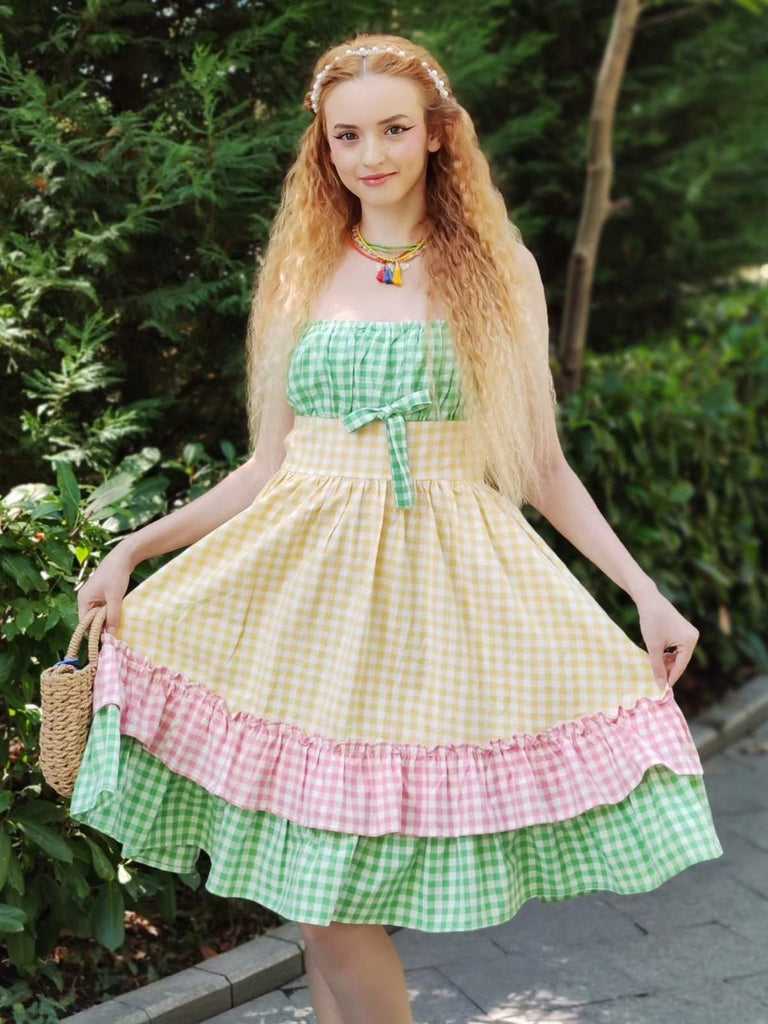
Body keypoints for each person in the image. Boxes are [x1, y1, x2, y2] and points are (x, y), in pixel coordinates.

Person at [69, 32, 723, 1024]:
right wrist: (133, 548)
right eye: (347, 136)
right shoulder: (300, 271)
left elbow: (539, 466)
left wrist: (645, 593)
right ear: (323, 148)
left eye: (393, 129)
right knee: (318, 908)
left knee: (336, 906)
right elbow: (266, 466)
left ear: (436, 135)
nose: (371, 154)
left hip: (435, 597)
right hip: (307, 593)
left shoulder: (499, 272)